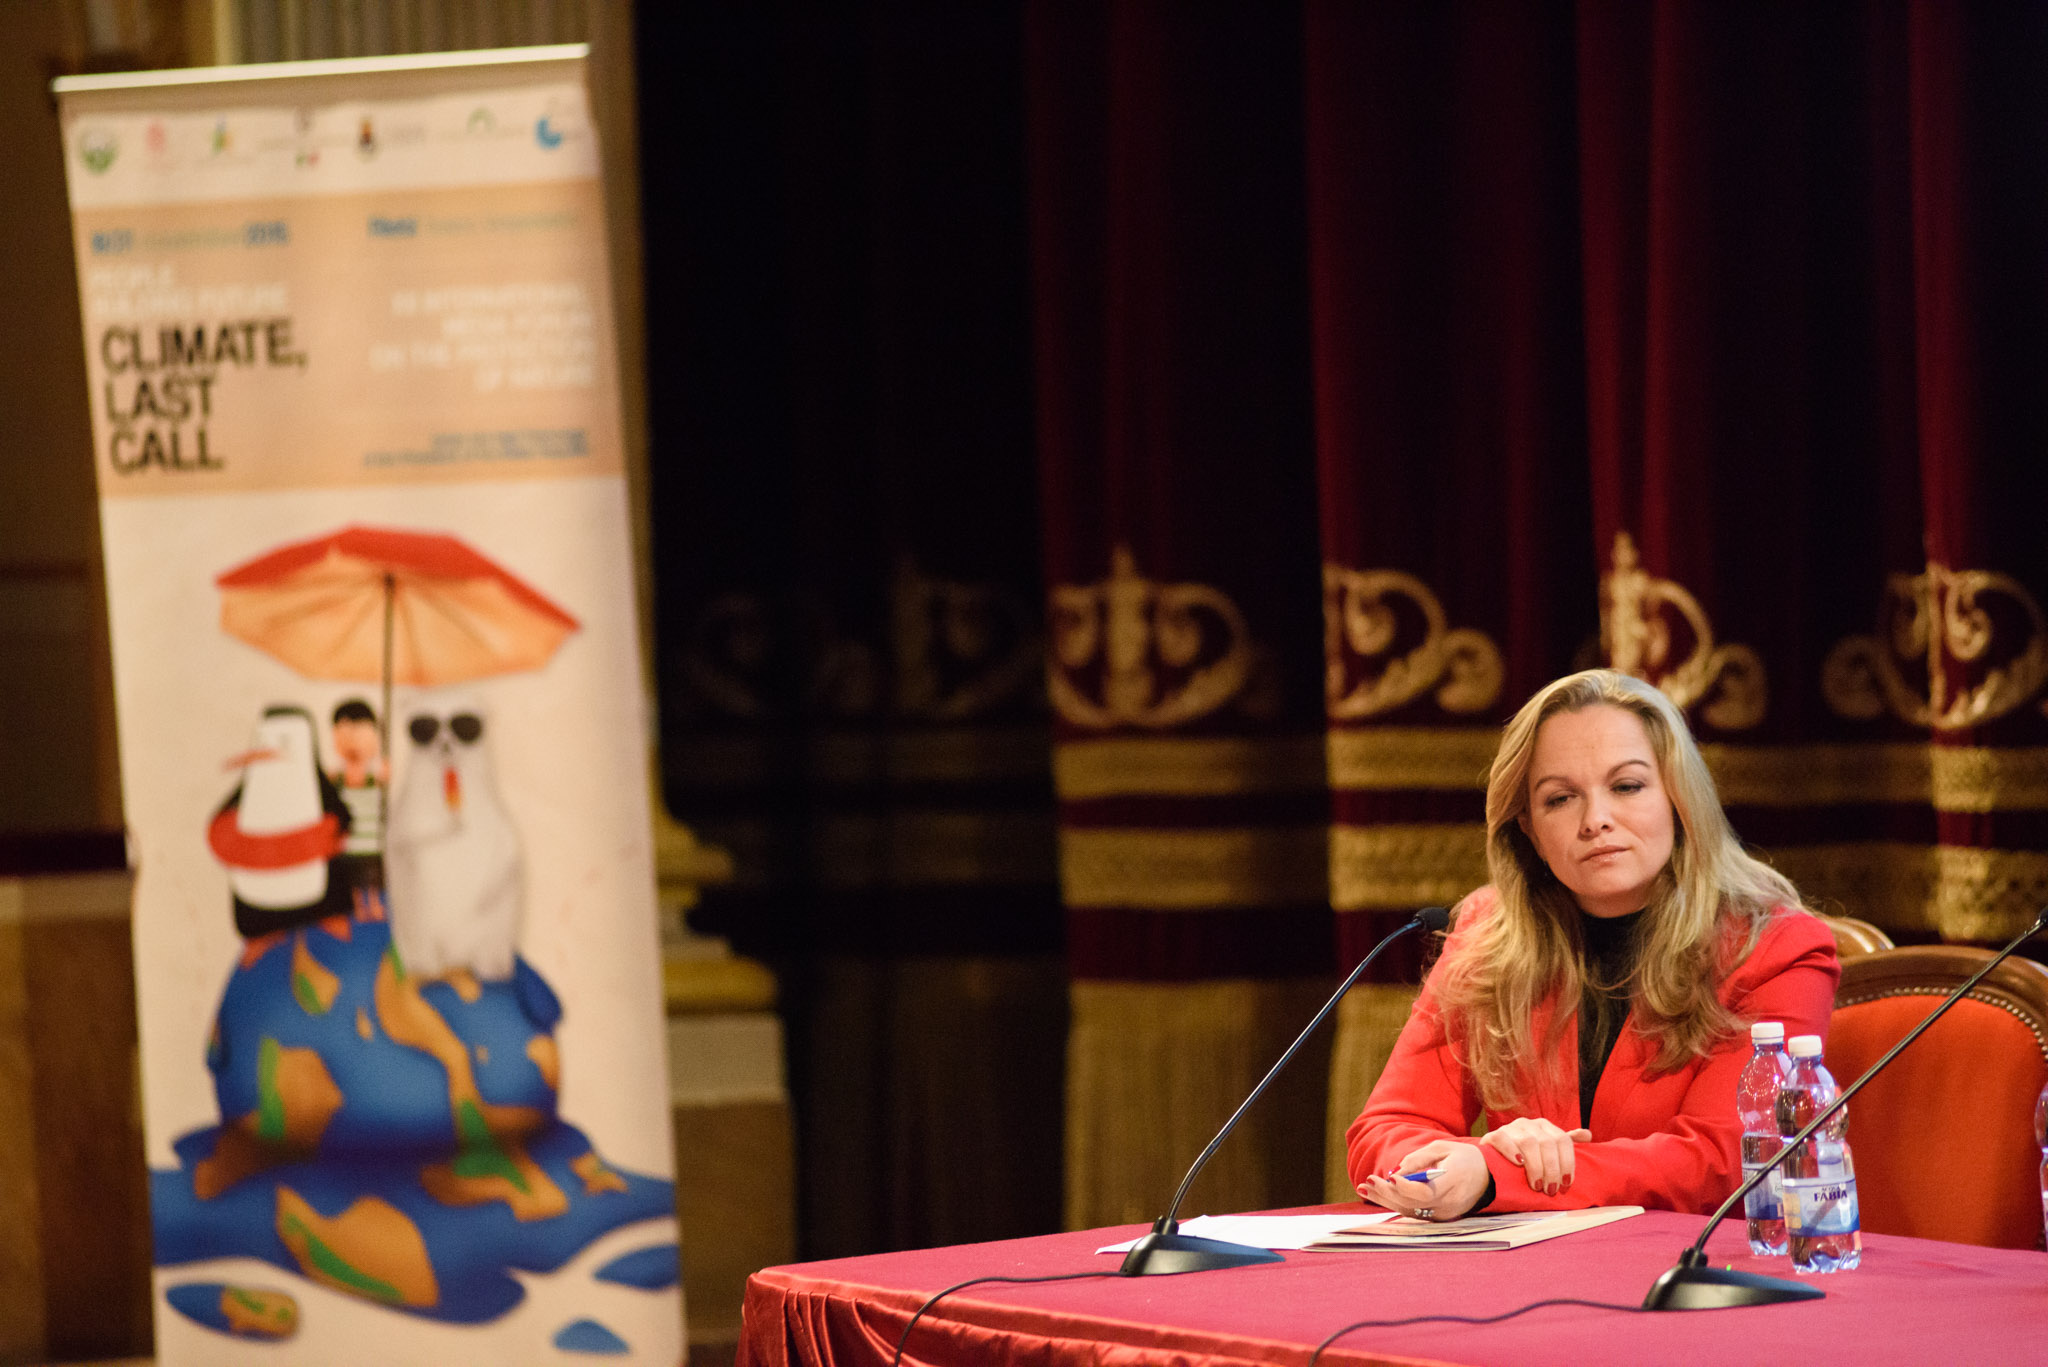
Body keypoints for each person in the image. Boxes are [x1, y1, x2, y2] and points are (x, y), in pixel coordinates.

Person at [1348, 669, 1839, 1221]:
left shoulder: (1774, 949)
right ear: (1529, 829)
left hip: (1697, 1264)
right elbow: (1386, 1128)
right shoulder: (1487, 938)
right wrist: (1441, 1169)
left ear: (1679, 798)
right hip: (1529, 1265)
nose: (1595, 821)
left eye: (1626, 787)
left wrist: (1497, 1175)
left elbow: (1724, 1161)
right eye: (1560, 799)